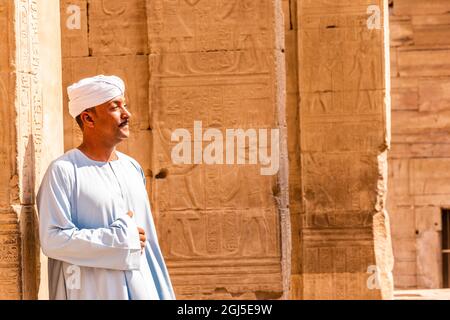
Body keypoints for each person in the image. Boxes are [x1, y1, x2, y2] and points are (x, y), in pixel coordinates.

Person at [37, 75, 175, 300]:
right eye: (115, 107)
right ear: (88, 119)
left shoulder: (132, 168)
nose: (126, 114)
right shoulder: (63, 171)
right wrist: (118, 240)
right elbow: (53, 241)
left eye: (125, 105)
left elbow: (148, 247)